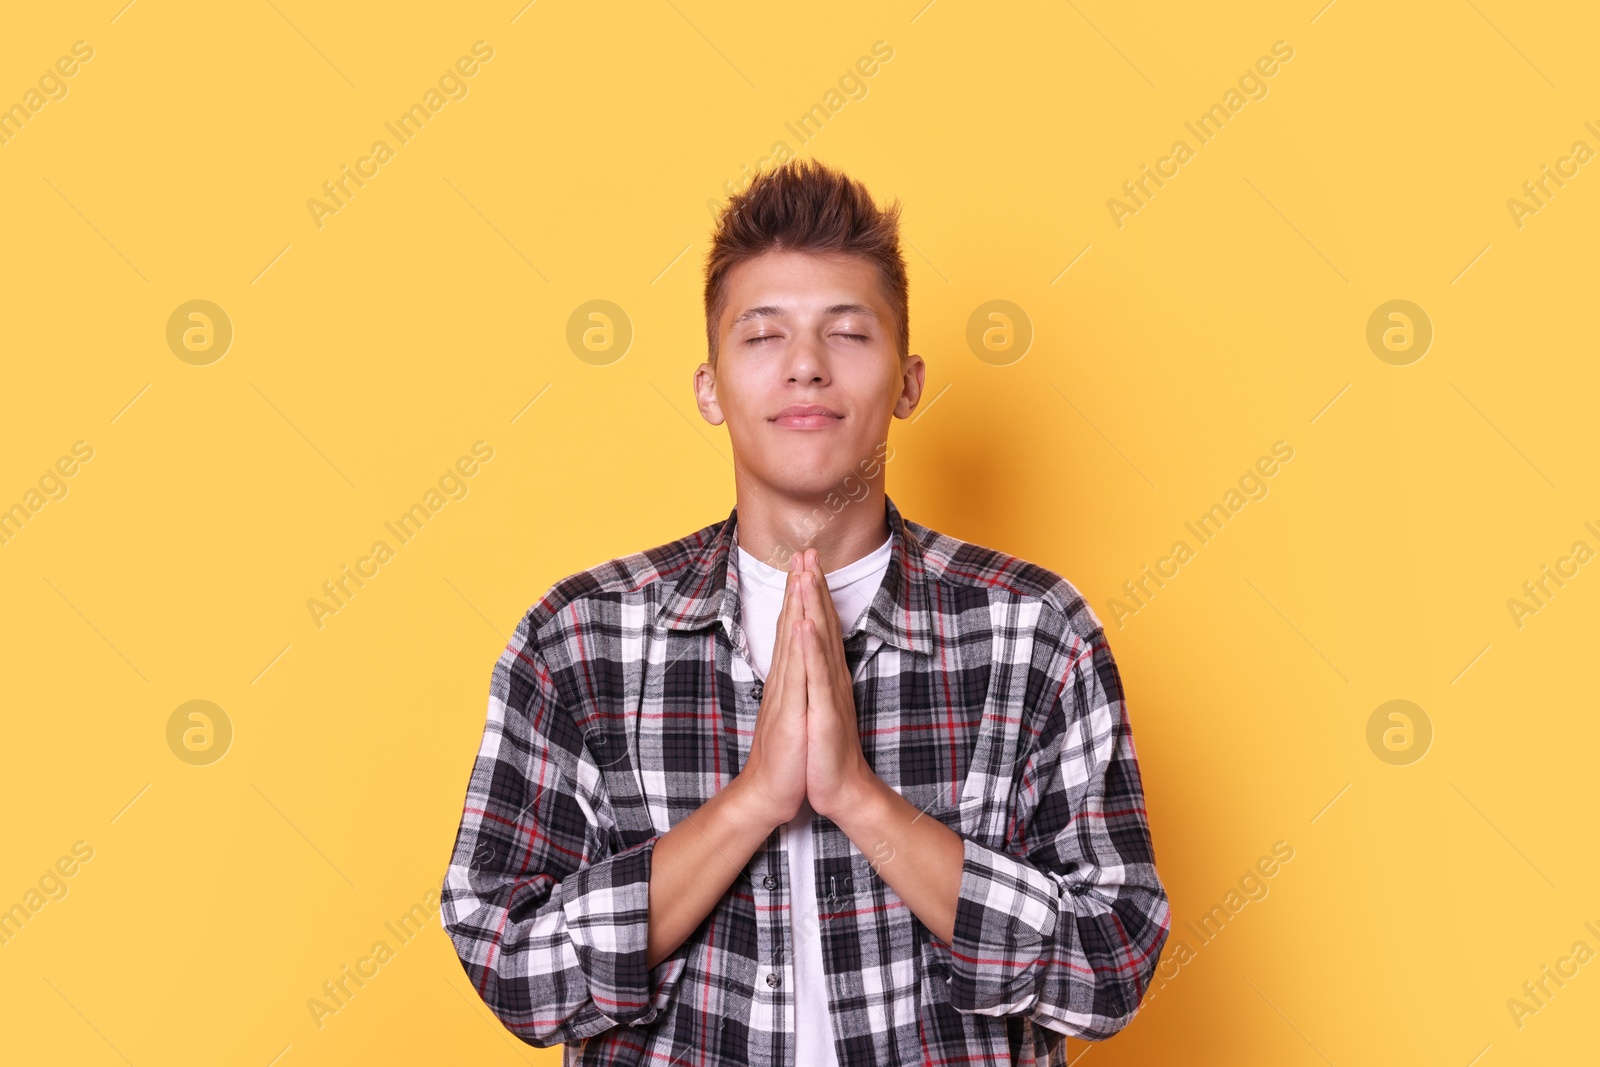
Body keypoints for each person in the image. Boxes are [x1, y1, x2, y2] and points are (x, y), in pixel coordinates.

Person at [439, 157, 1169, 1066]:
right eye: (763, 337)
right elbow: (509, 961)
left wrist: (859, 799)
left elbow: (1113, 962)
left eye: (848, 334)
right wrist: (752, 802)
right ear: (710, 386)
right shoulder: (581, 639)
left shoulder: (1035, 632)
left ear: (907, 381)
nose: (806, 368)